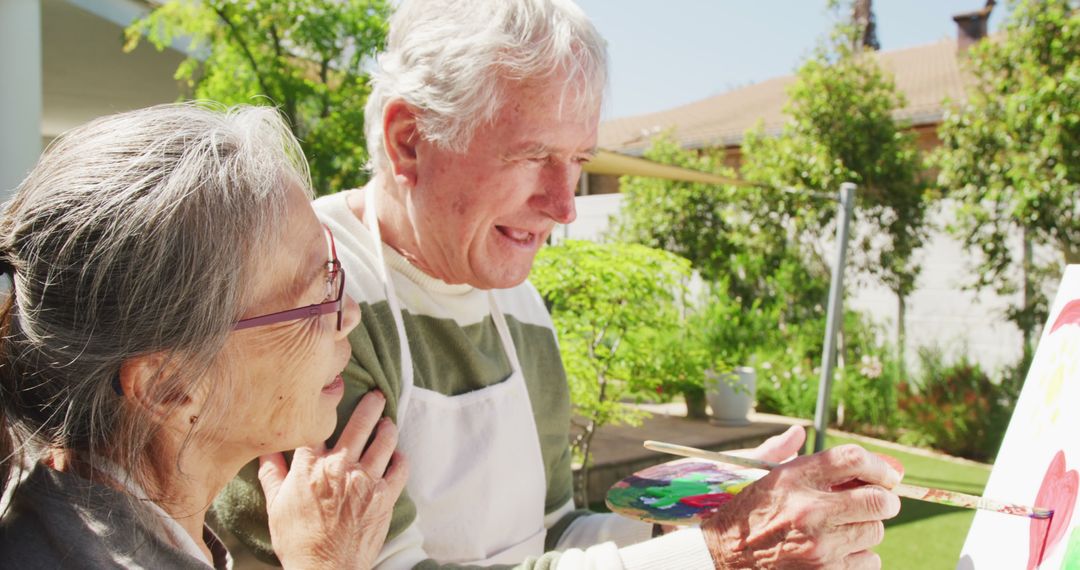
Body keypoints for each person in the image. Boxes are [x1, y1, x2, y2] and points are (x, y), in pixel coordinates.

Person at [216, 0, 903, 568]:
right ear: (409, 141)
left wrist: (697, 508)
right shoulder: (312, 301)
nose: (564, 204)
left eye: (575, 159)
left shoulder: (517, 303)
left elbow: (552, 538)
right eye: (533, 155)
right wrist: (717, 553)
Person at [0, 104, 408, 569]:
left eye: (332, 270)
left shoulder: (54, 516)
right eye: (314, 298)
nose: (349, 313)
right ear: (168, 387)